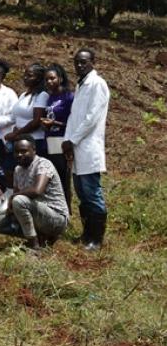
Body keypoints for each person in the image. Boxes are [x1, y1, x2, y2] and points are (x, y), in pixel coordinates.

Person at [0, 136, 70, 250]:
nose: (20, 155)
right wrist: (10, 212)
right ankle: (41, 236)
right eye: (16, 152)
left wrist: (13, 198)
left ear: (34, 150)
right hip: (33, 212)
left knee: (19, 200)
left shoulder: (43, 164)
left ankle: (34, 245)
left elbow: (37, 190)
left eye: (24, 151)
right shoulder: (18, 170)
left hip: (56, 218)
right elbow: (16, 198)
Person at [63, 48, 110, 251]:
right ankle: (86, 233)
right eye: (77, 62)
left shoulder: (97, 84)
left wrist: (71, 139)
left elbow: (91, 119)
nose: (79, 65)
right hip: (76, 146)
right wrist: (68, 141)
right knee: (82, 192)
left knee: (92, 193)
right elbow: (75, 118)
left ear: (93, 62)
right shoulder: (81, 85)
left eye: (84, 62)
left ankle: (96, 239)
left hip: (88, 146)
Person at [40, 63, 74, 212]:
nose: (49, 82)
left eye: (52, 78)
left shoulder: (69, 97)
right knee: (51, 176)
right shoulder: (50, 97)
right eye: (46, 79)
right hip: (49, 140)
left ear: (60, 78)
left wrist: (55, 123)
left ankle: (66, 210)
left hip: (62, 141)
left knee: (63, 177)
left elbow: (74, 122)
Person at [5, 63, 49, 156]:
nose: (25, 77)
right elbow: (15, 117)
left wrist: (17, 134)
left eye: (29, 76)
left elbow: (37, 121)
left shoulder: (42, 95)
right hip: (20, 140)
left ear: (38, 78)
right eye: (25, 75)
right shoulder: (23, 95)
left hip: (34, 140)